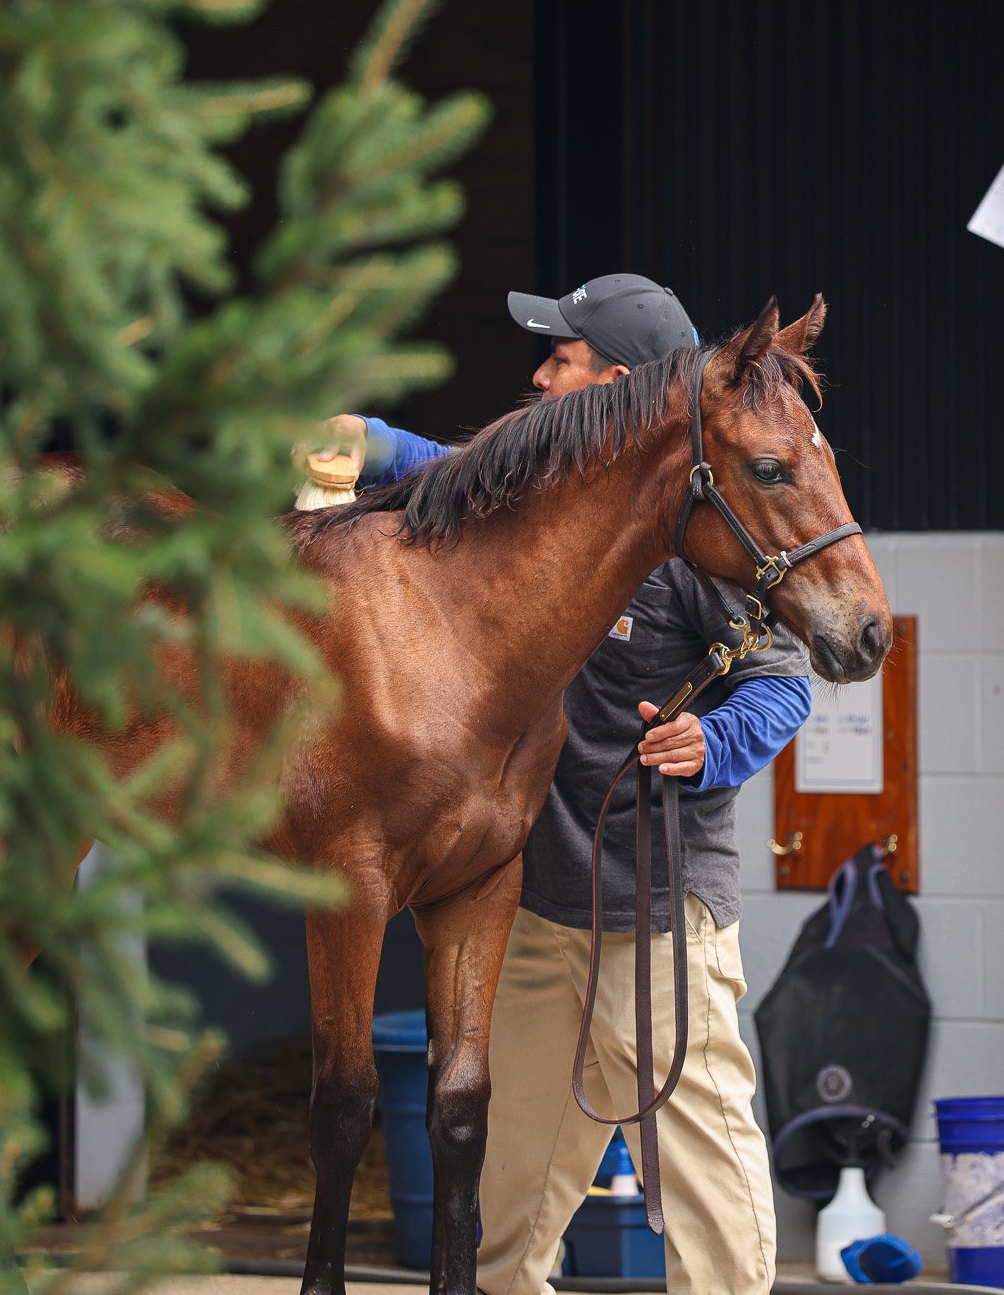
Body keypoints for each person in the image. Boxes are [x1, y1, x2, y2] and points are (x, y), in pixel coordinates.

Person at [314, 274, 809, 1293]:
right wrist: (357, 434)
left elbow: (780, 681)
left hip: (655, 922)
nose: (536, 375)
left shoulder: (695, 551)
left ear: (615, 388)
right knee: (505, 1215)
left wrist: (712, 744)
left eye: (560, 359)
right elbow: (450, 466)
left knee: (708, 1209)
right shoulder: (527, 517)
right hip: (534, 914)